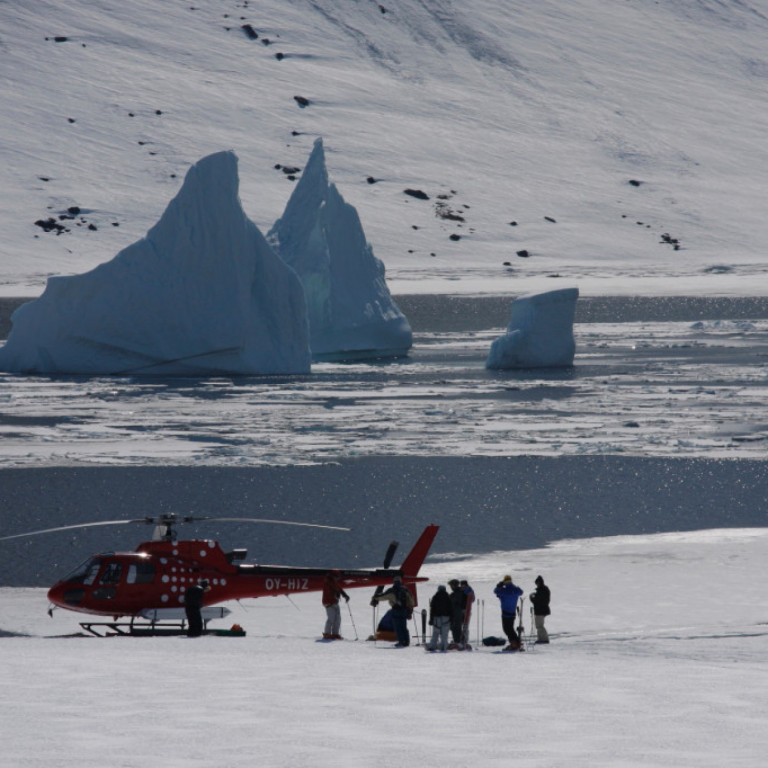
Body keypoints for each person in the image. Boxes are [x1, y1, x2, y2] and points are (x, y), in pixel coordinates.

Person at [372, 576, 413, 647]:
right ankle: (406, 641)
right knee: (404, 626)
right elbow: (411, 600)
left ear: (394, 582)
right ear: (400, 581)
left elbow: (383, 596)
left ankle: (401, 641)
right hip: (404, 610)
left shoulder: (391, 590)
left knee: (397, 627)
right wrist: (410, 609)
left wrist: (375, 597)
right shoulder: (405, 590)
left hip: (395, 610)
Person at [493, 575, 524, 651]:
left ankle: (514, 643)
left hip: (505, 613)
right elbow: (521, 591)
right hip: (512, 613)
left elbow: (495, 591)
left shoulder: (503, 590)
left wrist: (499, 586)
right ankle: (516, 642)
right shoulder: (515, 590)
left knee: (507, 629)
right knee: (510, 628)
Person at [322, 571, 350, 640]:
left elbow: (339, 589)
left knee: (337, 618)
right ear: (333, 576)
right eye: (337, 576)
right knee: (331, 618)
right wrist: (336, 593)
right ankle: (327, 634)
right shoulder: (328, 581)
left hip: (334, 602)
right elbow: (331, 590)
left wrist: (345, 595)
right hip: (328, 602)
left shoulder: (334, 581)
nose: (338, 578)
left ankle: (335, 634)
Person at [426, 585, 454, 651]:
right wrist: (452, 618)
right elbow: (451, 609)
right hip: (446, 618)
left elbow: (432, 609)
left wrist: (431, 619)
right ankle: (444, 647)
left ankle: (432, 646)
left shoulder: (435, 597)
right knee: (444, 634)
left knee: (435, 633)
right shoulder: (448, 597)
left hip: (436, 618)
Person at [530, 575, 551, 644]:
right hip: (542, 610)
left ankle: (544, 639)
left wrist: (532, 598)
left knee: (539, 625)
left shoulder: (542, 590)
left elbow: (538, 600)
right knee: (539, 625)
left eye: (536, 583)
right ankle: (541, 638)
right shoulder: (544, 589)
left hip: (540, 610)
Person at [448, 579, 466, 646]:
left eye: (451, 585)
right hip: (455, 613)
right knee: (454, 628)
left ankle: (457, 642)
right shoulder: (455, 593)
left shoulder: (458, 593)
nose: (451, 587)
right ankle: (457, 641)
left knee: (456, 628)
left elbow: (455, 603)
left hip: (457, 613)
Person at [460, 579, 475, 647]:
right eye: (462, 586)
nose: (462, 587)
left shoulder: (469, 590)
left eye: (464, 586)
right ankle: (460, 639)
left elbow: (472, 599)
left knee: (465, 625)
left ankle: (465, 640)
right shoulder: (460, 590)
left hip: (466, 610)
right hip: (460, 610)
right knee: (460, 625)